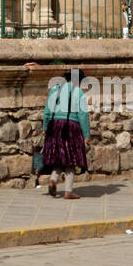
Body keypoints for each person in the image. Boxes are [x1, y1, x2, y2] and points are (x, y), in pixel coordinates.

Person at [41, 67, 91, 200]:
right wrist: (86, 135)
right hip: (71, 127)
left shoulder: (55, 90)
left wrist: (45, 128)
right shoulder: (78, 92)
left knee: (58, 157)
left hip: (54, 126)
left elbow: (47, 111)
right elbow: (83, 115)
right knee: (71, 159)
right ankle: (68, 191)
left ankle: (53, 180)